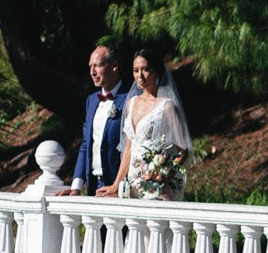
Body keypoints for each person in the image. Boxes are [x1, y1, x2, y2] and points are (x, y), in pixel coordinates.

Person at [97, 49, 194, 201]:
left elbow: (183, 150)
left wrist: (163, 175)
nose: (139, 76)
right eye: (136, 70)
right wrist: (116, 184)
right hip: (132, 183)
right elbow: (129, 148)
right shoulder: (131, 103)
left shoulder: (166, 107)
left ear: (156, 71)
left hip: (155, 187)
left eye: (145, 69)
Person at [58, 46, 130, 196]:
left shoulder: (131, 98)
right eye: (90, 66)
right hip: (94, 186)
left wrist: (119, 184)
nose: (92, 72)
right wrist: (76, 186)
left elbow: (132, 145)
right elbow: (86, 143)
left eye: (97, 65)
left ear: (114, 66)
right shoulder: (91, 101)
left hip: (120, 187)